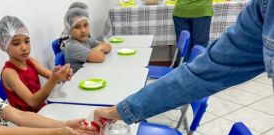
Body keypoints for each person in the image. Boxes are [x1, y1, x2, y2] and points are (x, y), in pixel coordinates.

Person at [94, 0, 274, 124]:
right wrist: (122, 111)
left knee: (192, 51)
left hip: (182, 11)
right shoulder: (263, 8)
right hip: (199, 11)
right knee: (198, 49)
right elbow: (203, 72)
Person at [0, 16, 72, 112]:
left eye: (27, 41)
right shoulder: (9, 73)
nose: (24, 47)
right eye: (16, 43)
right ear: (3, 46)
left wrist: (62, 75)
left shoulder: (30, 61)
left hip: (42, 111)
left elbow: (53, 77)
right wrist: (54, 79)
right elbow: (32, 101)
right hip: (28, 121)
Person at [64, 7, 111, 73]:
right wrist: (99, 50)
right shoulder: (72, 46)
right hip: (79, 80)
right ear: (69, 30)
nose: (83, 30)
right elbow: (100, 57)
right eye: (77, 27)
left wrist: (97, 49)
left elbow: (108, 46)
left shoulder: (86, 40)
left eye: (85, 25)